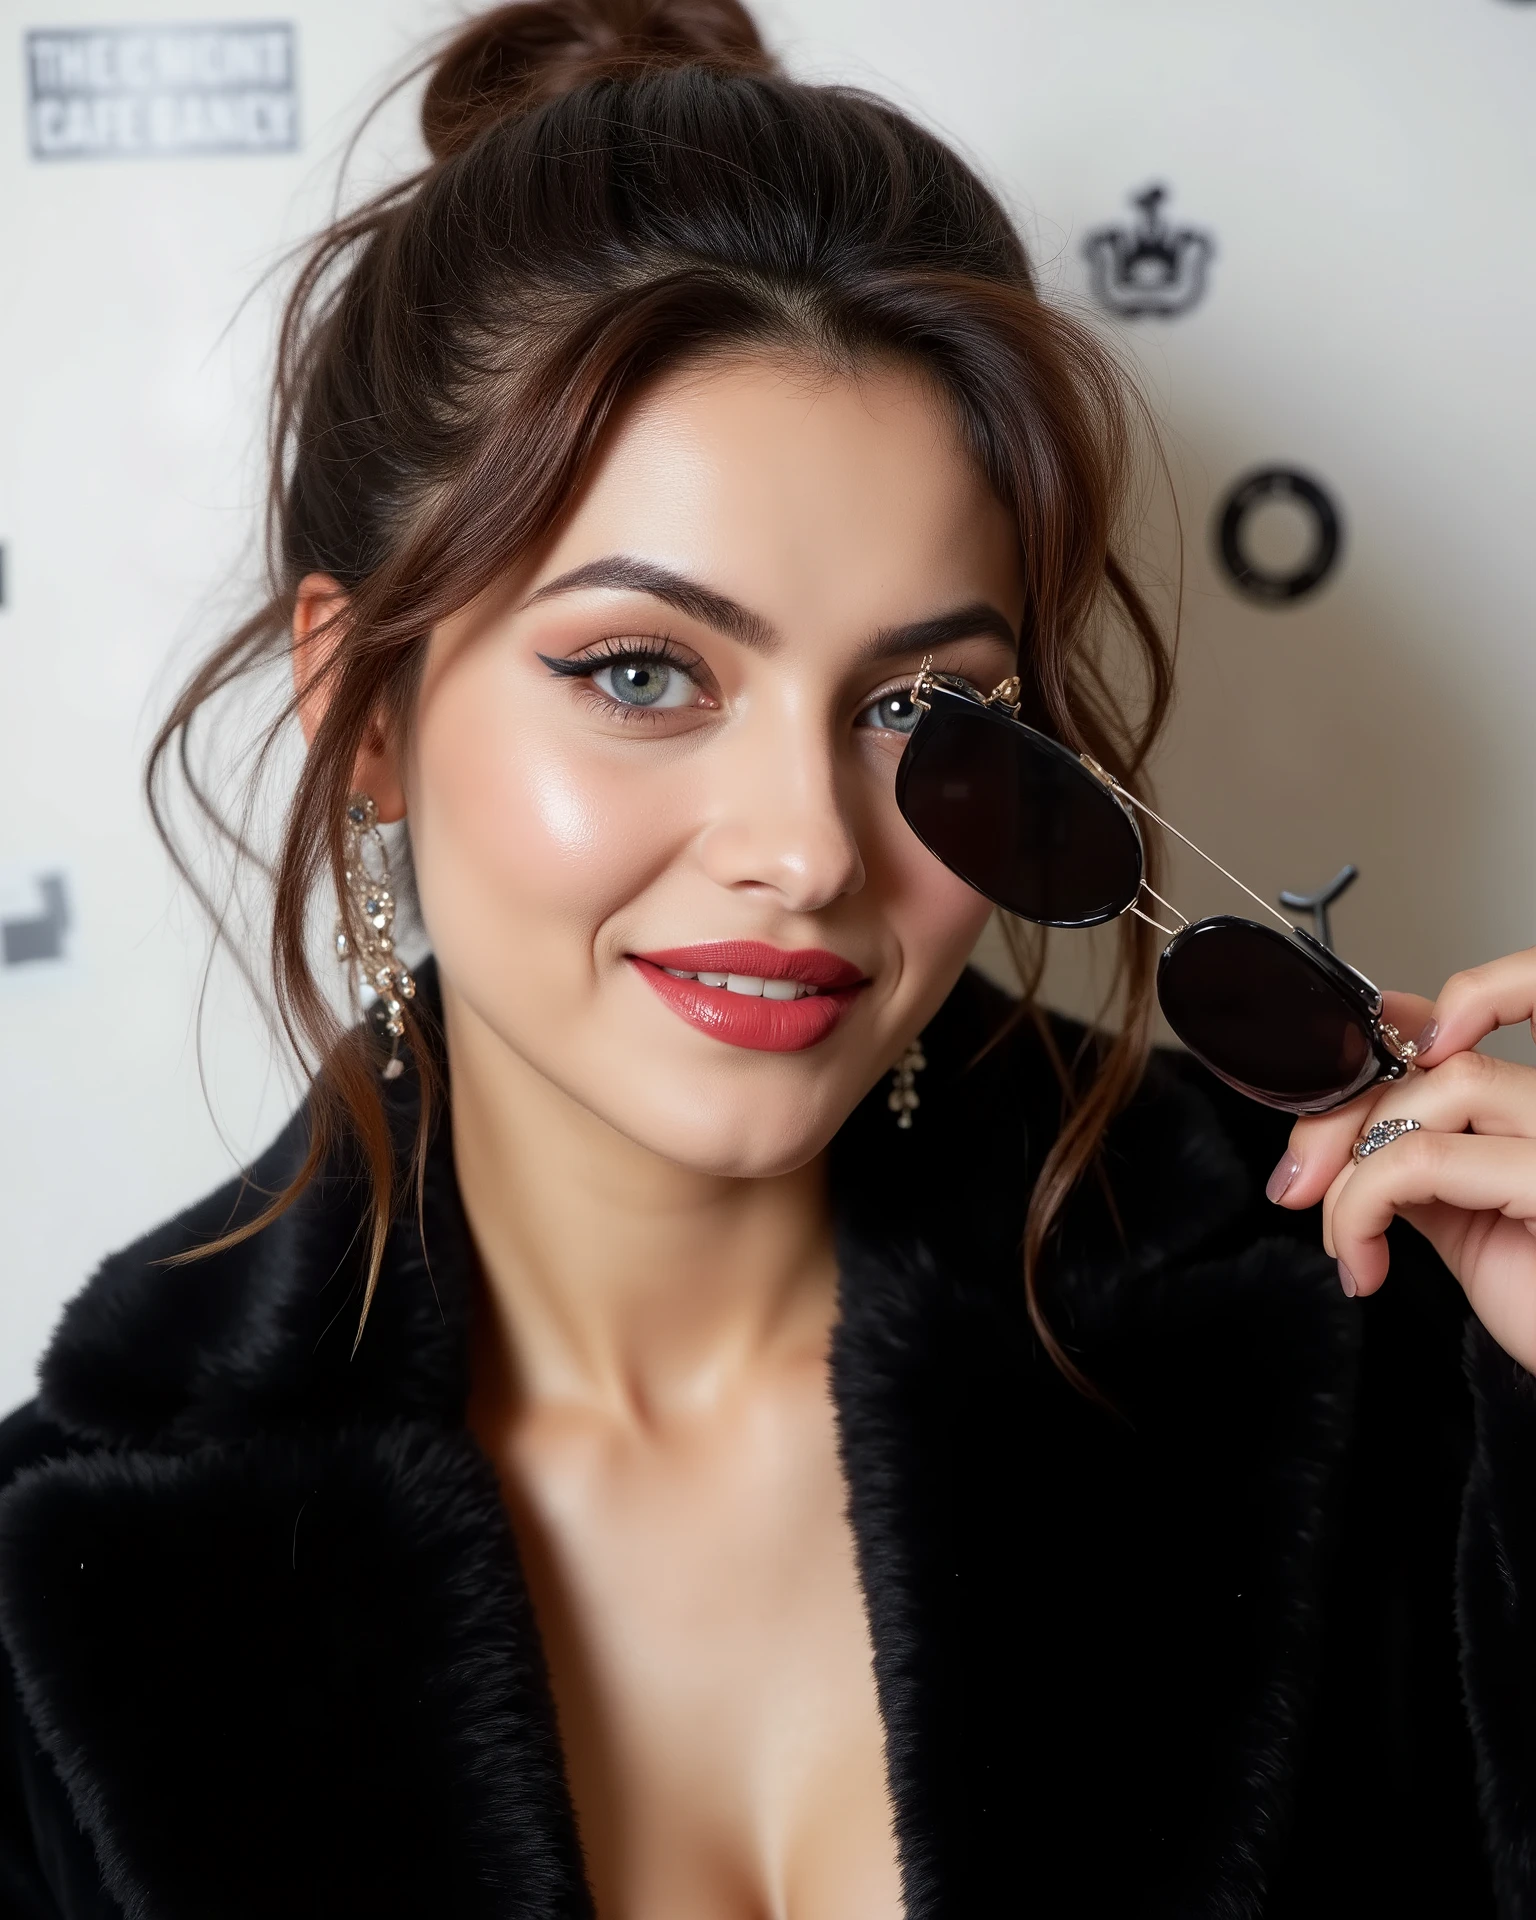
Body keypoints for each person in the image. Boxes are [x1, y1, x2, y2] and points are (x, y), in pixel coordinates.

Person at [0, 2, 1532, 1914]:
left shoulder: (1362, 1336)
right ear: (362, 705)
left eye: (923, 711)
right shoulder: (62, 1576)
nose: (809, 849)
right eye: (642, 674)